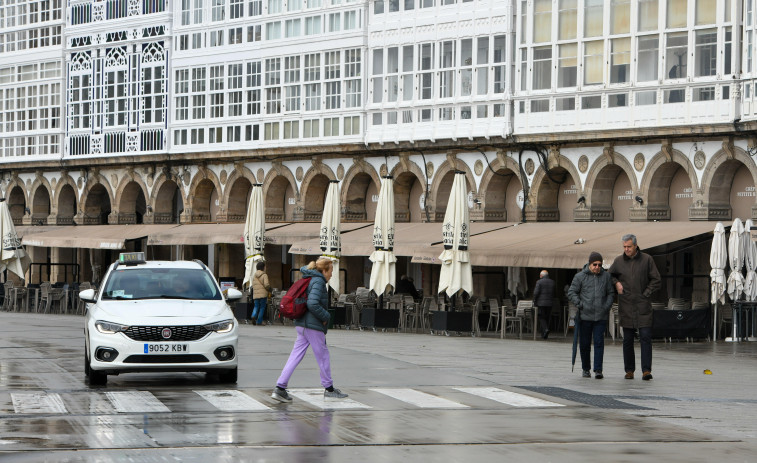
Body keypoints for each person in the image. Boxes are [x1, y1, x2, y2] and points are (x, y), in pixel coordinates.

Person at [272, 257, 348, 403]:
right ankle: (329, 389)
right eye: (331, 271)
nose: (332, 274)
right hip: (312, 325)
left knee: (295, 356)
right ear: (324, 270)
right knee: (323, 356)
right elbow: (312, 303)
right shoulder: (318, 281)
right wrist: (326, 316)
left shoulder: (310, 278)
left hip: (302, 324)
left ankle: (280, 387)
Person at [609, 234, 661, 381]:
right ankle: (629, 370)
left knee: (645, 337)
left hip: (643, 305)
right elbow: (609, 276)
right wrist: (616, 283)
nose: (626, 249)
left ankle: (646, 370)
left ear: (636, 246)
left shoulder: (647, 259)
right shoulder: (618, 261)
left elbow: (656, 280)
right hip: (626, 305)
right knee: (628, 339)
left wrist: (646, 293)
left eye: (629, 247)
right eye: (624, 247)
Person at [568, 252, 615, 379]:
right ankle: (586, 369)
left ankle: (598, 369)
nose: (597, 267)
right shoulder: (580, 276)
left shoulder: (606, 276)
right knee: (584, 344)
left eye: (600, 265)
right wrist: (579, 303)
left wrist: (606, 307)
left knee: (599, 342)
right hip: (585, 316)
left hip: (600, 316)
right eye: (595, 264)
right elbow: (571, 292)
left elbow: (611, 293)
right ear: (590, 263)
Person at [532, 270, 555, 339]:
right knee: (547, 317)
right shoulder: (552, 282)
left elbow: (536, 293)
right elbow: (554, 292)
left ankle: (545, 329)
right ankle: (544, 335)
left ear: (541, 275)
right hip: (550, 303)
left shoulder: (539, 282)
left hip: (541, 303)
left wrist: (534, 300)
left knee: (541, 317)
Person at [251, 261, 271, 326]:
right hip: (263, 294)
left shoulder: (254, 275)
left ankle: (253, 315)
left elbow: (253, 285)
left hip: (256, 294)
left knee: (256, 306)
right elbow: (266, 285)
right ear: (263, 267)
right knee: (262, 307)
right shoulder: (264, 275)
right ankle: (259, 321)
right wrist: (270, 289)